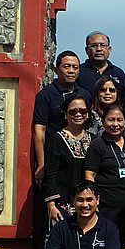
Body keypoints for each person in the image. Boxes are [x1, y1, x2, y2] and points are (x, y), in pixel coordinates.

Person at [33, 51, 92, 188]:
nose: (71, 71)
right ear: (56, 70)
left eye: (75, 67)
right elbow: (39, 129)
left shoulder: (85, 95)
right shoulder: (46, 95)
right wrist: (41, 163)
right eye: (66, 67)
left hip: (81, 157)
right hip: (54, 157)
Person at [84, 104, 125, 236]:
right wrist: (93, 202)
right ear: (103, 121)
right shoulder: (98, 144)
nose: (115, 124)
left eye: (119, 120)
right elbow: (90, 175)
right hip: (107, 205)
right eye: (111, 120)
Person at [43, 94, 94, 224]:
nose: (78, 114)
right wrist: (52, 205)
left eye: (82, 111)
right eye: (73, 111)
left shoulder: (94, 140)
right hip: (63, 205)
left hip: (89, 206)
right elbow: (50, 174)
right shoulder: (57, 139)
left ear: (88, 114)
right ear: (65, 114)